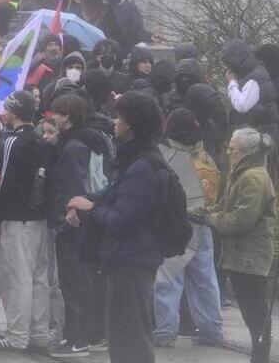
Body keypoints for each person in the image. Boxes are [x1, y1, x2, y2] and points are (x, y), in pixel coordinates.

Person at [67, 92, 166, 363]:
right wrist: (89, 200)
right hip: (125, 259)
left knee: (130, 339)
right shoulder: (133, 161)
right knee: (124, 337)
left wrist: (92, 209)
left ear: (131, 125)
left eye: (119, 117)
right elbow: (117, 198)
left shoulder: (142, 167)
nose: (114, 122)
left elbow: (124, 221)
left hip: (132, 261)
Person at [193, 127, 276, 363]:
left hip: (250, 254)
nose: (228, 152)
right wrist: (201, 212)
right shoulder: (241, 173)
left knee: (255, 309)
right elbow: (225, 207)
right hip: (241, 254)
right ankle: (258, 353)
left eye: (232, 149)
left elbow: (241, 219)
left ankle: (259, 355)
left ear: (247, 152)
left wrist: (209, 219)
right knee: (251, 309)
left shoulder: (254, 177)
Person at [46, 93, 112, 357]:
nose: (54, 118)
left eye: (58, 114)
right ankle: (95, 333)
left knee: (73, 280)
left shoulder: (73, 147)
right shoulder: (94, 139)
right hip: (93, 217)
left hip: (73, 221)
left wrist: (70, 207)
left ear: (68, 116)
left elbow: (72, 182)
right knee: (90, 278)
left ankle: (77, 338)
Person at [151, 108, 224, 348]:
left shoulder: (165, 154)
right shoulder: (204, 155)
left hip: (176, 225)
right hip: (202, 224)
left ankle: (165, 331)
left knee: (169, 279)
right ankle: (211, 329)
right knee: (205, 278)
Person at [0, 90, 54, 354]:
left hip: (16, 219)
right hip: (40, 219)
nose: (3, 113)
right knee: (40, 278)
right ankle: (39, 333)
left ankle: (16, 335)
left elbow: (5, 182)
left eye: (6, 109)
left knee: (17, 278)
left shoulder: (12, 142)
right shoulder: (42, 142)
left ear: (14, 112)